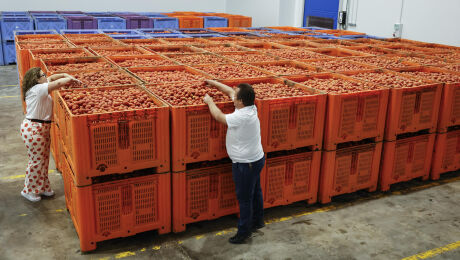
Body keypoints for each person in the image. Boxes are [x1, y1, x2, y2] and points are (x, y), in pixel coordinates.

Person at [203, 80, 265, 244]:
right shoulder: (251, 107)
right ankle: (258, 221)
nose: (233, 96)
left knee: (244, 199)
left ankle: (244, 232)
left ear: (241, 101)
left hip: (245, 164)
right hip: (257, 159)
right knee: (255, 191)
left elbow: (218, 116)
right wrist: (213, 83)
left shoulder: (241, 116)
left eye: (236, 96)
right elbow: (230, 91)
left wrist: (209, 101)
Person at [20, 67, 79, 202]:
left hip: (41, 127)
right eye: (43, 75)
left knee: (44, 160)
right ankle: (28, 190)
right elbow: (57, 83)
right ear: (36, 79)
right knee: (36, 161)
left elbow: (53, 78)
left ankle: (43, 187)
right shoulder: (38, 89)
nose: (46, 76)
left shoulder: (40, 86)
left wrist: (64, 74)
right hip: (34, 128)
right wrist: (70, 79)